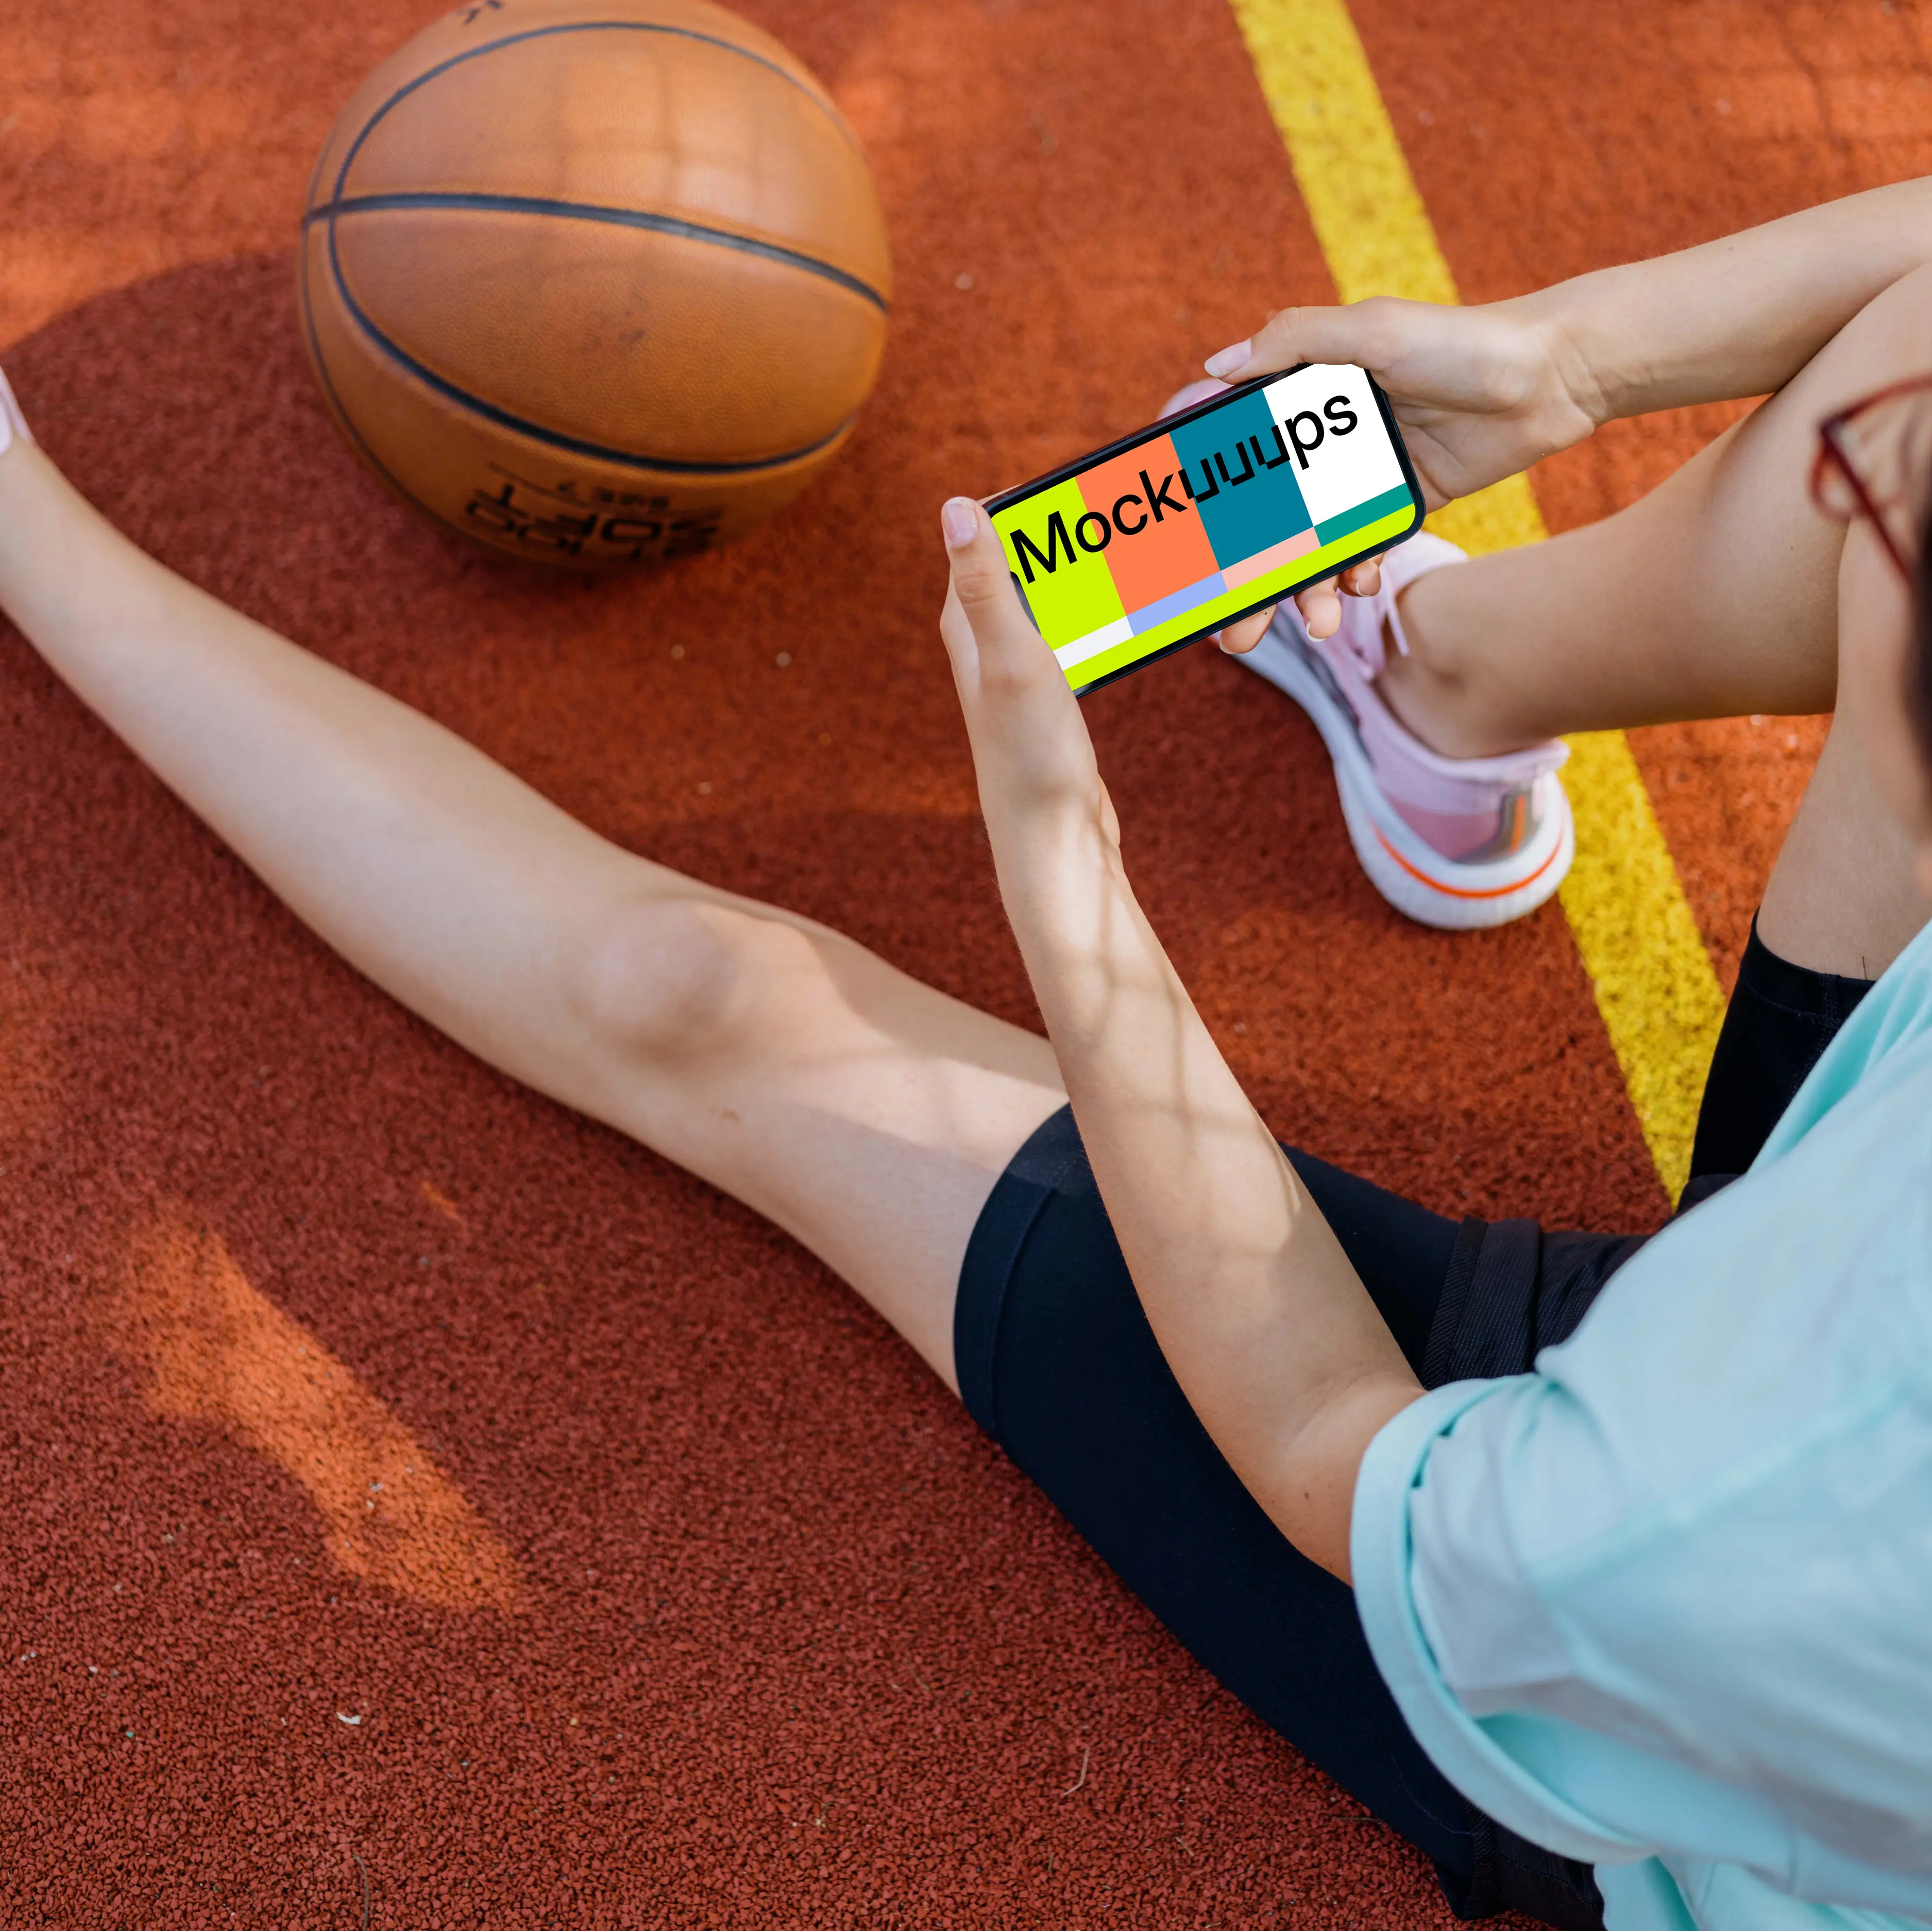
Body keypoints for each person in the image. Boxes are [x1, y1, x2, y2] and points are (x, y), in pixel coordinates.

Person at [4, 173, 1931, 1931]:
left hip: (1640, 1679)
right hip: (1828, 1305)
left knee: (709, 1004)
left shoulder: (1697, 1518)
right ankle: (1442, 679)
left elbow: (1325, 1449)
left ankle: (32, 546)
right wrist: (1562, 361)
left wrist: (1063, 865)